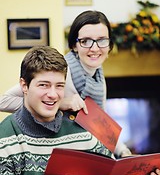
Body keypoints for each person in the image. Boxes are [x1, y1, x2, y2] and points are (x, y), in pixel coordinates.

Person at [1, 46, 160, 175]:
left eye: (59, 86)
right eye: (43, 85)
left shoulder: (82, 126)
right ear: (24, 86)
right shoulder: (6, 136)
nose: (53, 94)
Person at [0, 10, 131, 157]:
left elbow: (102, 124)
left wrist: (124, 152)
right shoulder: (60, 70)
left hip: (83, 147)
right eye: (85, 41)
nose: (95, 48)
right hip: (50, 149)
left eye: (102, 40)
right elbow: (3, 102)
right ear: (74, 45)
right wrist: (59, 104)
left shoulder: (98, 77)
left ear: (109, 44)